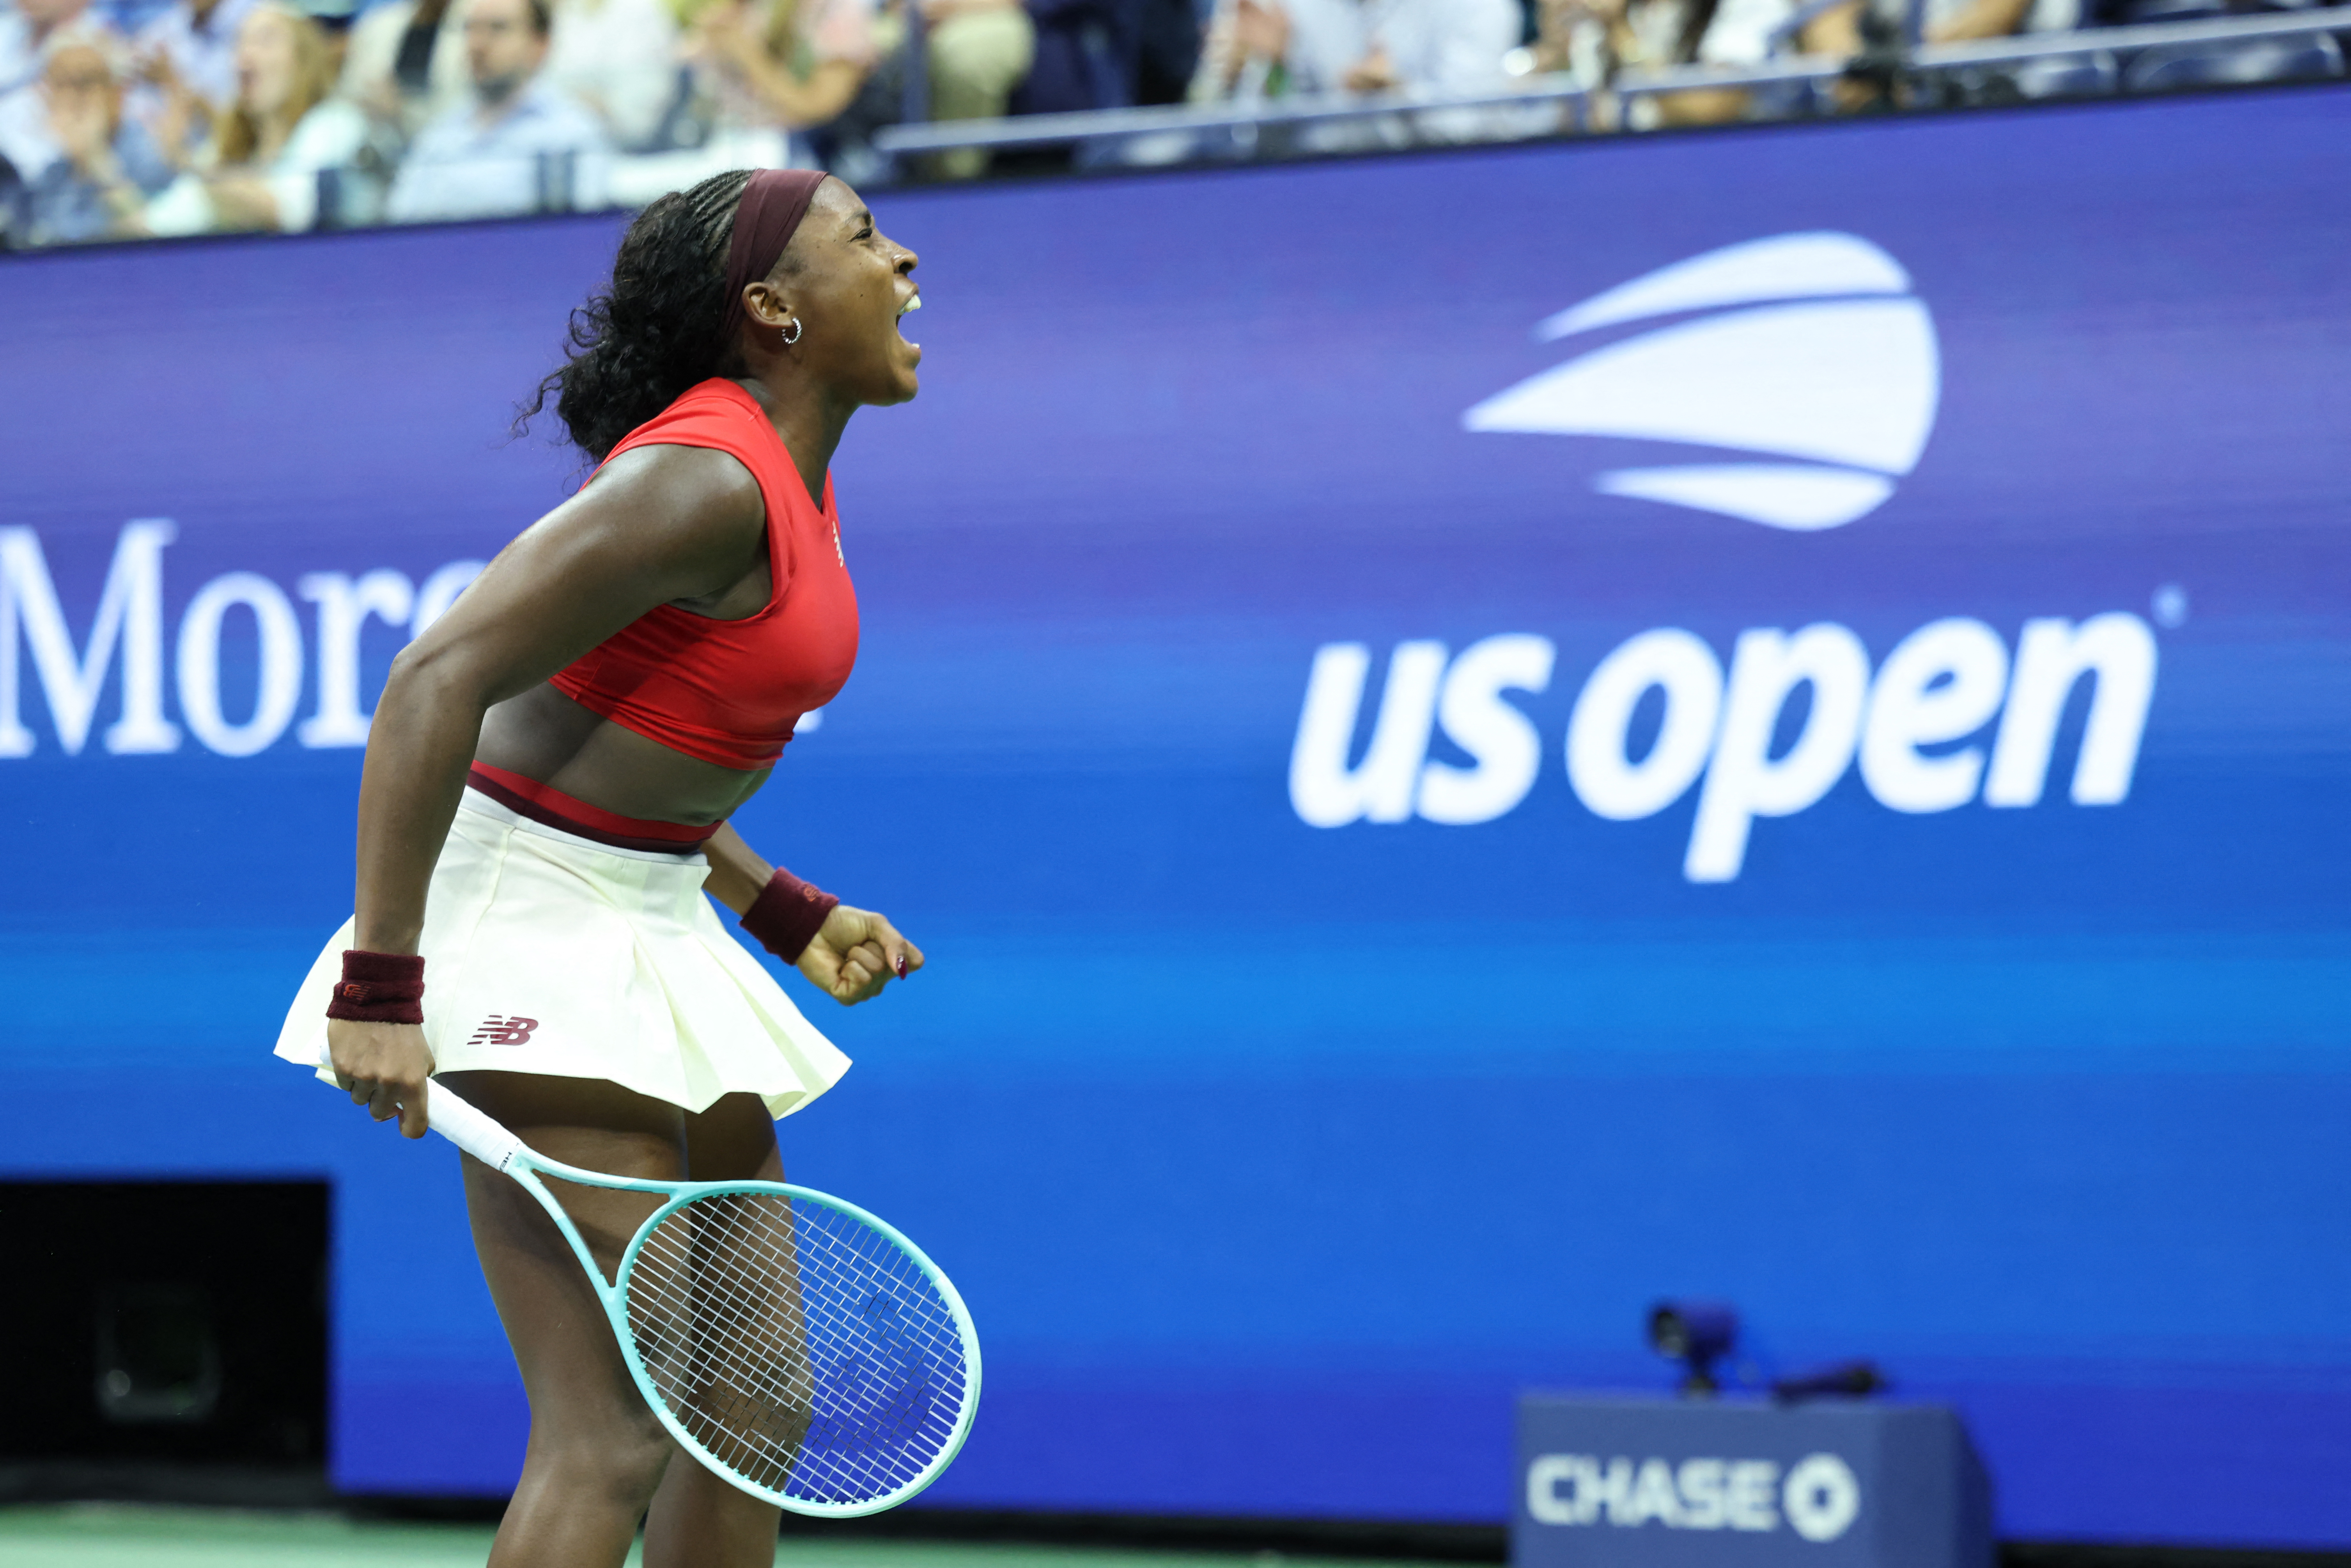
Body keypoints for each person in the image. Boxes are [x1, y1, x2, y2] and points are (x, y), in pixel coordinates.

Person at [273, 167, 928, 1567]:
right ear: (773, 309)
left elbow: (630, 732)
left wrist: (779, 902)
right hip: (527, 925)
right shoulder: (698, 478)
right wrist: (384, 979)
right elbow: (438, 676)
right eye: (865, 240)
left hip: (647, 905)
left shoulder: (789, 475)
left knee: (752, 1404)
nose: (905, 256)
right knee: (611, 1433)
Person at [143, 1, 366, 232]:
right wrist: (103, 165)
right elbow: (155, 225)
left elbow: (290, 213)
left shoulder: (334, 123)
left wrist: (184, 159)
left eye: (265, 41)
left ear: (303, 57)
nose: (244, 58)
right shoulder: (225, 149)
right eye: (240, 43)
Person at [384, 0, 610, 221]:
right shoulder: (439, 136)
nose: (478, 45)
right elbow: (400, 226)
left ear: (540, 44)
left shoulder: (571, 133)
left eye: (498, 28)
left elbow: (583, 235)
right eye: (471, 28)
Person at [15, 33, 174, 242]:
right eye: (61, 85)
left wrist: (97, 163)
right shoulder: (53, 171)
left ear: (118, 93)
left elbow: (160, 237)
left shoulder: (155, 153)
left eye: (86, 83)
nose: (73, 97)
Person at [543, 0, 679, 148]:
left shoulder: (641, 10)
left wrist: (597, 107)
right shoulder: (563, 12)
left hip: (632, 144)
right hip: (561, 138)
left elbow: (643, 110)